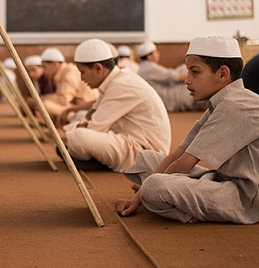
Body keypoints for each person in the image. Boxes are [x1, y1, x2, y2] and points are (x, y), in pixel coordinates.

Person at [116, 36, 259, 224]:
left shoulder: (235, 105)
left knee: (154, 185)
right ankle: (177, 200)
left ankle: (187, 212)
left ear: (223, 74)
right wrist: (142, 194)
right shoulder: (219, 103)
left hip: (248, 197)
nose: (187, 80)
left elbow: (184, 164)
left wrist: (140, 196)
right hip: (223, 179)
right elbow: (177, 155)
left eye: (194, 72)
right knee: (146, 159)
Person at [60, 39, 171, 172]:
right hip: (131, 141)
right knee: (79, 123)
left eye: (82, 72)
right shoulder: (116, 80)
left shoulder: (121, 85)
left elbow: (94, 126)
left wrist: (80, 127)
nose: (81, 78)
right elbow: (92, 115)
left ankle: (97, 162)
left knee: (78, 138)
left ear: (98, 68)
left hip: (146, 154)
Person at [32, 47, 98, 125]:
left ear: (54, 64)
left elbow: (64, 99)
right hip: (80, 106)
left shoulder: (69, 73)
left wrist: (39, 100)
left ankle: (78, 120)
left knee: (45, 105)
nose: (43, 70)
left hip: (88, 108)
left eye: (44, 67)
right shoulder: (63, 73)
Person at [137, 41, 204, 112]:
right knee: (185, 70)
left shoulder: (143, 68)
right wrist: (199, 75)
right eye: (156, 52)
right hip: (168, 100)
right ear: (149, 56)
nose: (158, 54)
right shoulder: (150, 68)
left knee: (183, 68)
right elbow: (177, 77)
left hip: (165, 97)